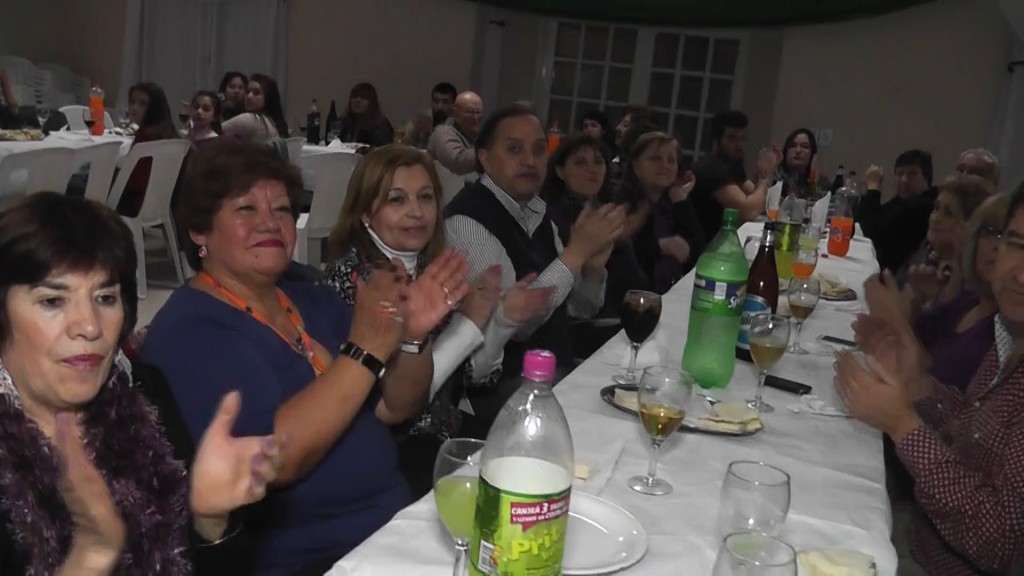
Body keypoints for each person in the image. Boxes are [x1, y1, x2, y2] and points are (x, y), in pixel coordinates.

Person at [140, 139, 466, 574]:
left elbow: (394, 408)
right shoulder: (191, 330)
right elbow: (277, 459)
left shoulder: (309, 297)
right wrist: (365, 349)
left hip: (395, 524)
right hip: (318, 556)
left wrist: (412, 339)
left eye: (281, 209)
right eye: (246, 209)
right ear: (200, 231)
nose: (269, 222)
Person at [0, 192, 284, 575]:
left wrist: (210, 520)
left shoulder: (146, 395)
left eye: (105, 298)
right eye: (53, 301)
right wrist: (90, 558)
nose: (90, 326)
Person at [321, 145, 549, 496]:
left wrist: (503, 321)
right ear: (365, 213)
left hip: (442, 432)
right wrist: (468, 326)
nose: (416, 211)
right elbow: (389, 408)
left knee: (534, 458)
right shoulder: (358, 281)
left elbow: (471, 376)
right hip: (388, 449)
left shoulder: (430, 269)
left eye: (425, 197)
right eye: (397, 200)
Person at [836, 185, 1024, 575]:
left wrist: (903, 425)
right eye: (1017, 244)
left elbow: (999, 543)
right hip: (917, 538)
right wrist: (916, 383)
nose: (1020, 273)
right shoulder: (1009, 336)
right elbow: (969, 431)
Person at [445, 104, 624, 427]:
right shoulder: (467, 221)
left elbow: (578, 309)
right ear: (485, 159)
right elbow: (516, 325)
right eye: (514, 149)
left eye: (539, 150)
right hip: (499, 394)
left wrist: (592, 269)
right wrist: (575, 253)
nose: (529, 160)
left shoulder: (538, 213)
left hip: (554, 375)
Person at [862, 185, 1001, 392]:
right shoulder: (970, 298)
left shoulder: (997, 333)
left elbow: (931, 377)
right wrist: (914, 300)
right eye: (936, 208)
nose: (935, 218)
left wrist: (896, 316)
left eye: (948, 213)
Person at [614, 132, 705, 292]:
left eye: (671, 160)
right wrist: (660, 247)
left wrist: (681, 201)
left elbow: (699, 254)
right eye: (655, 159)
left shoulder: (676, 200)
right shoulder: (621, 202)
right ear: (636, 166)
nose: (665, 165)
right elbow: (616, 257)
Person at [689, 110, 778, 238]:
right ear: (716, 141)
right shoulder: (710, 168)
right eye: (732, 139)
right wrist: (765, 179)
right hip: (706, 245)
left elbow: (758, 202)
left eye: (743, 138)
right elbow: (747, 211)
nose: (739, 145)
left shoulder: (733, 165)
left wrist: (764, 173)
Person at [858, 149, 938, 275]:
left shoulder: (924, 205)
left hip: (888, 277)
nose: (904, 180)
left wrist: (873, 188)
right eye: (900, 174)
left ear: (926, 179)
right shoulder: (904, 199)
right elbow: (869, 218)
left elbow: (871, 233)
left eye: (912, 174)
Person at [116, 82, 179, 217]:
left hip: (136, 204)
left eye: (142, 103)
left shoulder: (147, 137)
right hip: (163, 204)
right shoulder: (168, 131)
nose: (134, 108)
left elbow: (133, 182)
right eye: (132, 102)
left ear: (154, 107)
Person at [428, 91, 483, 175]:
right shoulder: (443, 133)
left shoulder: (477, 135)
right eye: (470, 112)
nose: (475, 118)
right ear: (455, 113)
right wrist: (490, 153)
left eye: (478, 112)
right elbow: (457, 161)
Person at [221, 73, 288, 143]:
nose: (249, 96)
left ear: (268, 98)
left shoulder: (250, 119)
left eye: (256, 93)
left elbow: (215, 133)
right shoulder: (273, 121)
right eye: (247, 92)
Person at [339, 82, 394, 148]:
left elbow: (385, 149)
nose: (357, 100)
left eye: (363, 98)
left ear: (372, 103)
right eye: (354, 97)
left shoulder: (381, 124)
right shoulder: (345, 122)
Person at [777, 128, 818, 198]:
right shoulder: (774, 179)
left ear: (812, 154)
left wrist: (813, 179)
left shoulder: (821, 183)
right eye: (793, 146)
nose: (798, 150)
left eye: (804, 147)